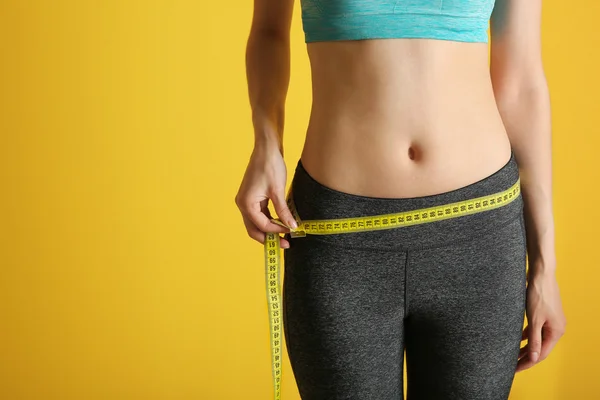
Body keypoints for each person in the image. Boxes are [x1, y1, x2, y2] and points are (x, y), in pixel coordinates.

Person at [235, 0, 566, 398]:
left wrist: (545, 265)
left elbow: (522, 83)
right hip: (341, 239)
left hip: (481, 236)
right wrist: (266, 142)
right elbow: (269, 32)